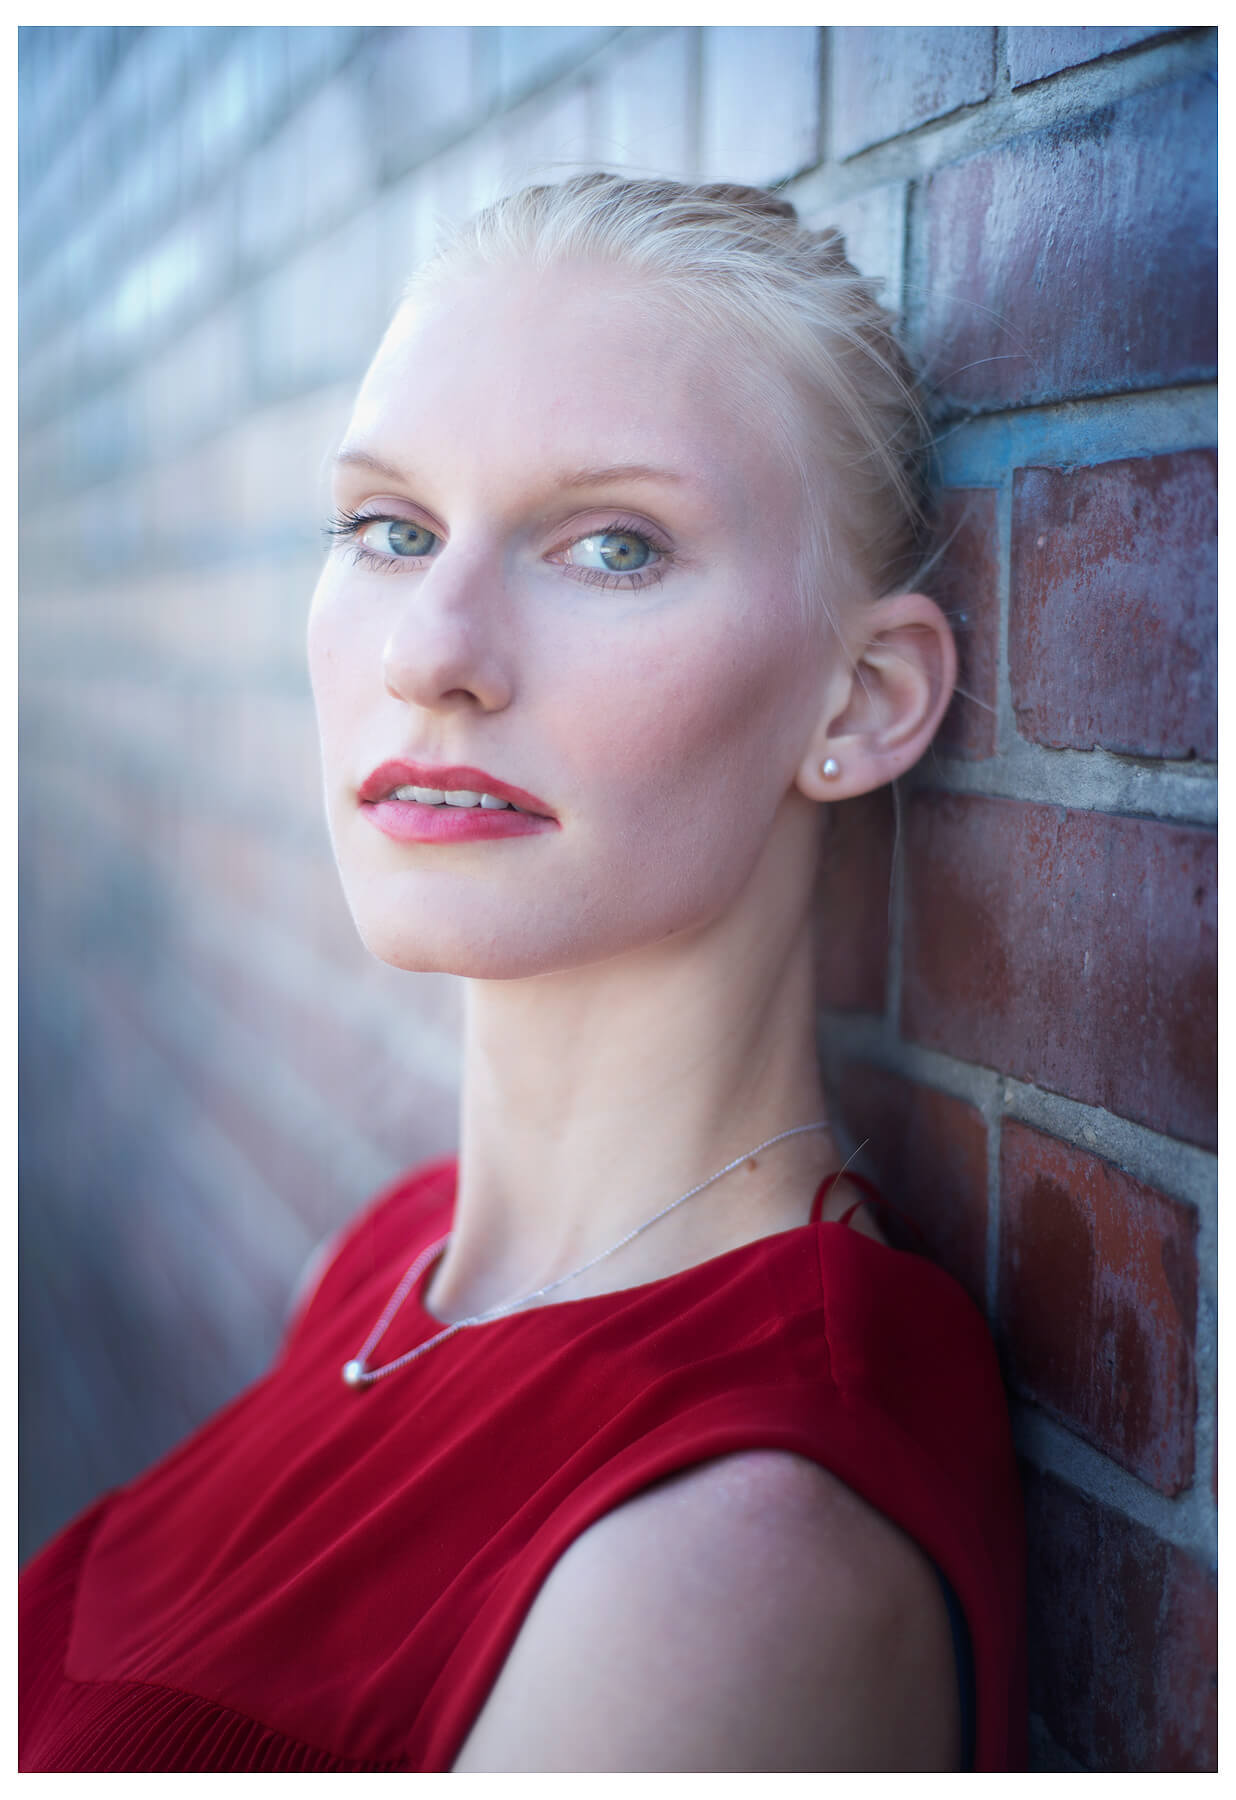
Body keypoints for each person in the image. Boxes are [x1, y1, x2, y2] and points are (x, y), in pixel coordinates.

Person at [19, 174, 1024, 1772]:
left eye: (613, 546)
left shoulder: (732, 1557)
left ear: (866, 699)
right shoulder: (389, 1264)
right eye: (389, 529)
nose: (433, 649)